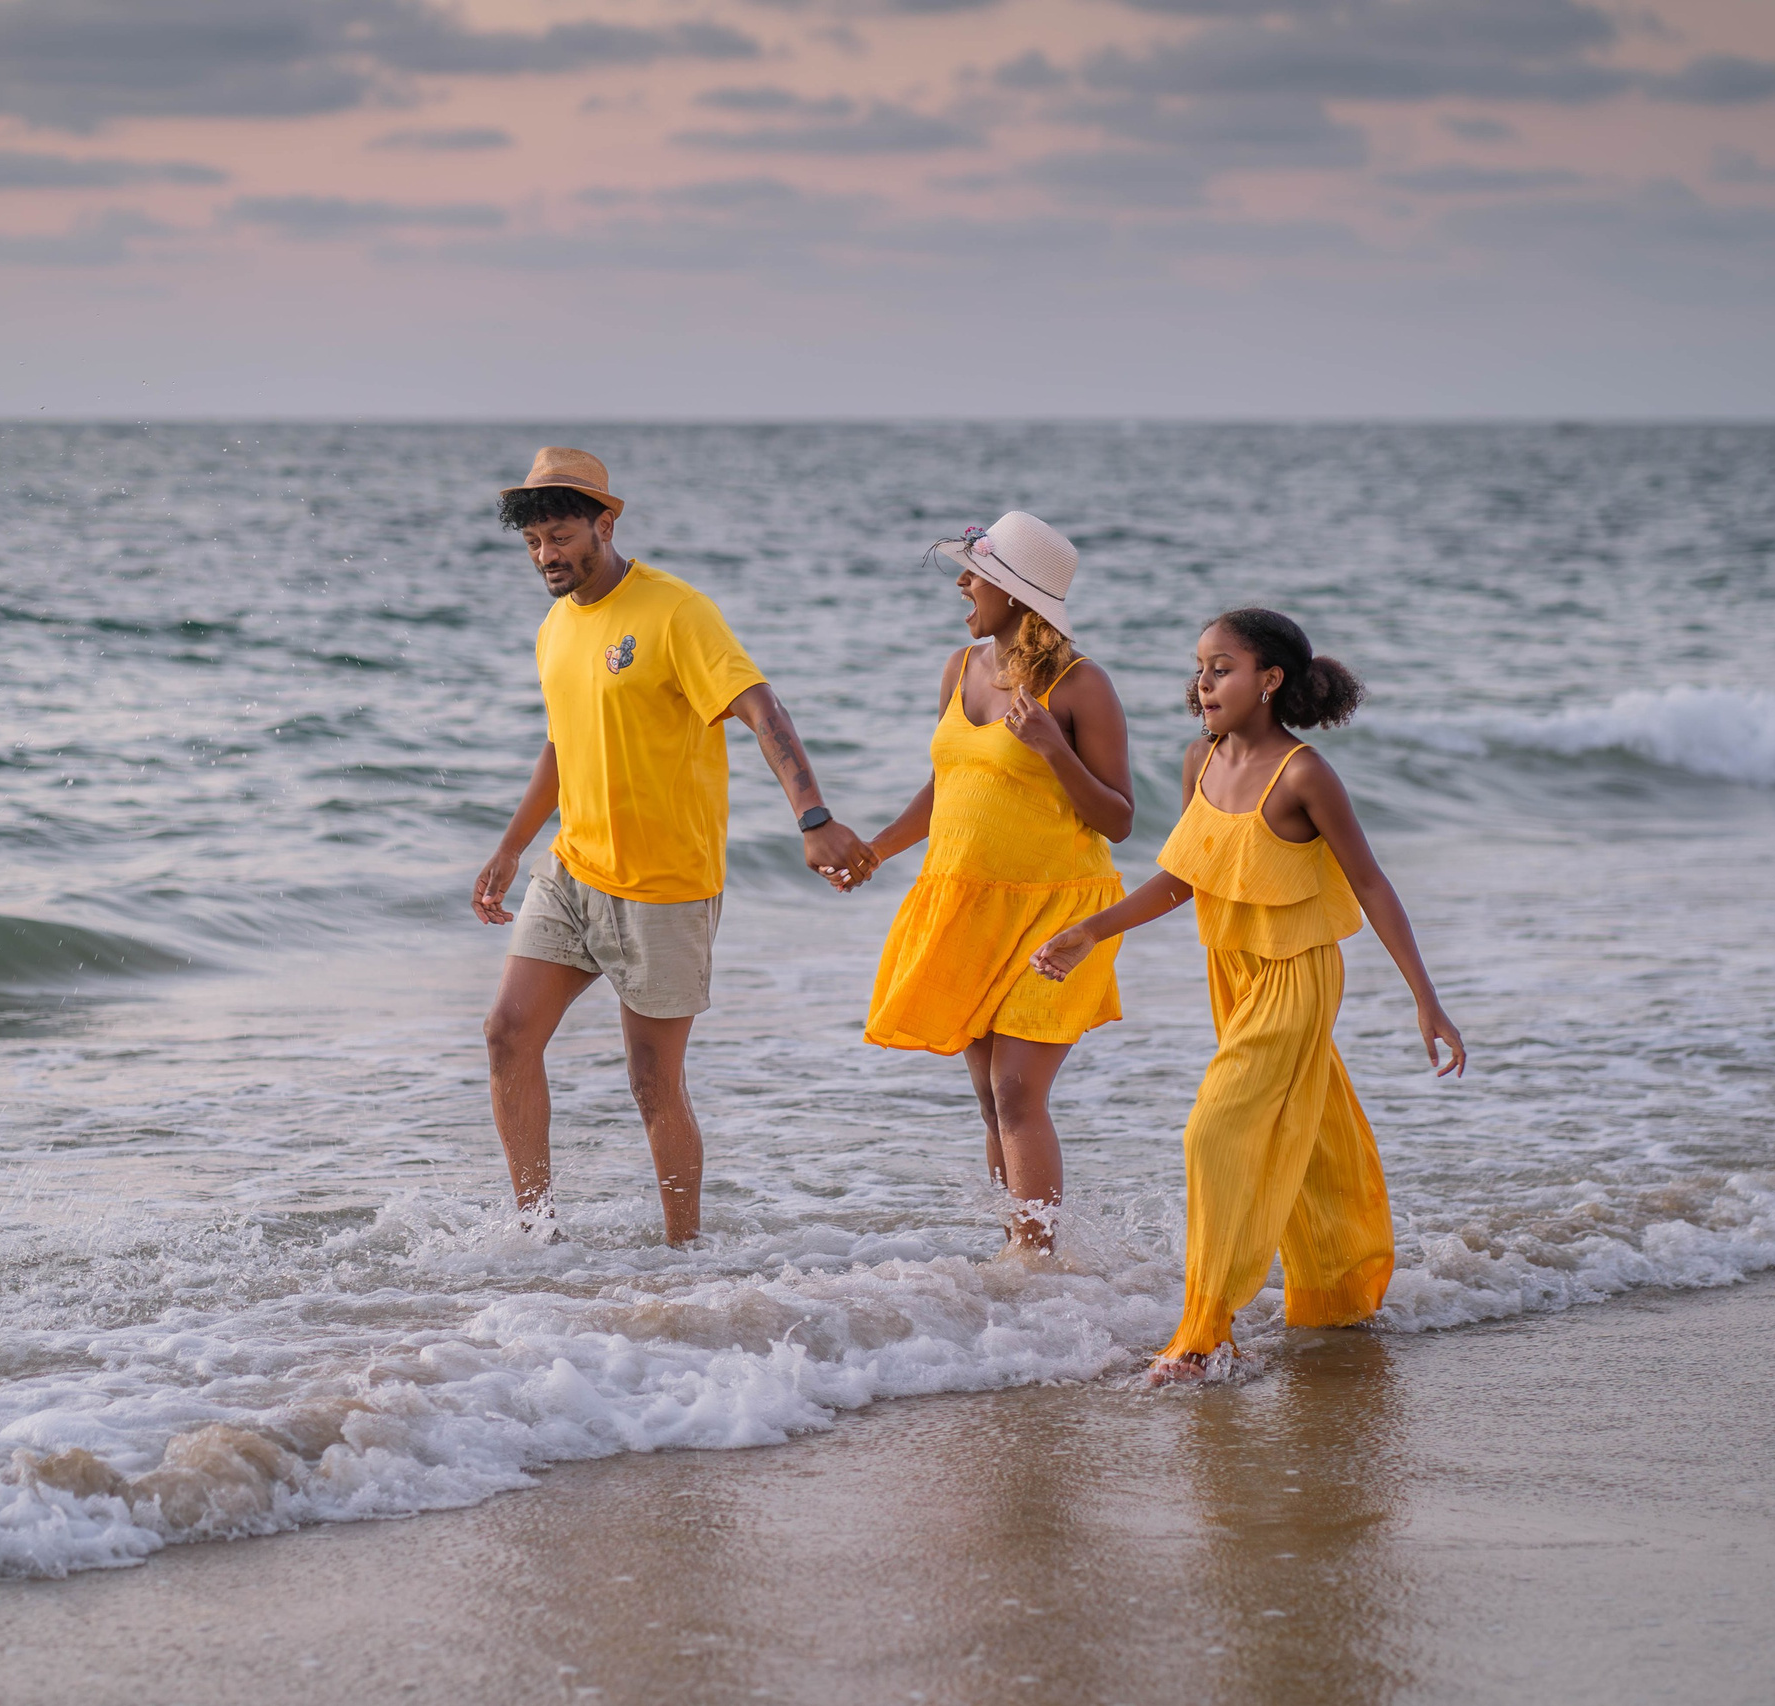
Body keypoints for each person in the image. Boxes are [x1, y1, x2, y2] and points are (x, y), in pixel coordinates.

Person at [1031, 607, 1465, 1381]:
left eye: (1223, 667)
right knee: (1313, 1133)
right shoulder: (1203, 758)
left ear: (1271, 680)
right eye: (1200, 667)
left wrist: (1425, 1000)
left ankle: (1203, 1335)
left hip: (1298, 973)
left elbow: (1371, 883)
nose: (1204, 682)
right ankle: (1341, 1296)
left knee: (1216, 1129)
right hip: (1231, 970)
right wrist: (1093, 930)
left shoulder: (1304, 774)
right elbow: (1182, 877)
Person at [472, 447, 875, 1246]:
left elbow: (761, 709)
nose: (546, 557)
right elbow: (565, 741)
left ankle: (683, 1253)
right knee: (506, 1036)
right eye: (533, 545)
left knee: (653, 1083)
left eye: (559, 537)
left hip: (664, 887)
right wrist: (514, 846)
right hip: (573, 872)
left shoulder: (676, 611)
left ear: (605, 523)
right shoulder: (555, 629)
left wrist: (813, 817)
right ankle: (536, 1235)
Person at [859, 512, 1134, 1252]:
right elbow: (949, 781)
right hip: (967, 905)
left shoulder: (1083, 687)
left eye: (974, 573)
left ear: (1016, 595)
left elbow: (1118, 819)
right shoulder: (960, 668)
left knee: (1017, 1093)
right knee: (989, 1099)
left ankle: (1038, 1264)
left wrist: (1053, 749)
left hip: (1057, 913)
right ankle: (1015, 1252)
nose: (961, 583)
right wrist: (877, 851)